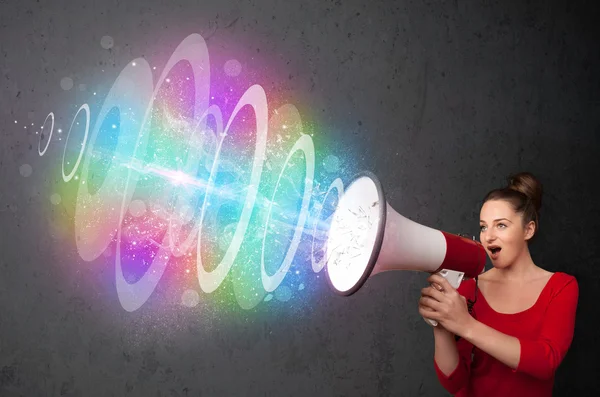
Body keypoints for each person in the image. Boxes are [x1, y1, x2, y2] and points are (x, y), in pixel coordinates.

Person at [418, 172, 579, 397]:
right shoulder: (468, 287)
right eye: (483, 227)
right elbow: (455, 383)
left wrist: (465, 325)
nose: (488, 237)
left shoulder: (561, 286)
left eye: (501, 225)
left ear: (528, 230)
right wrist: (441, 326)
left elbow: (545, 361)